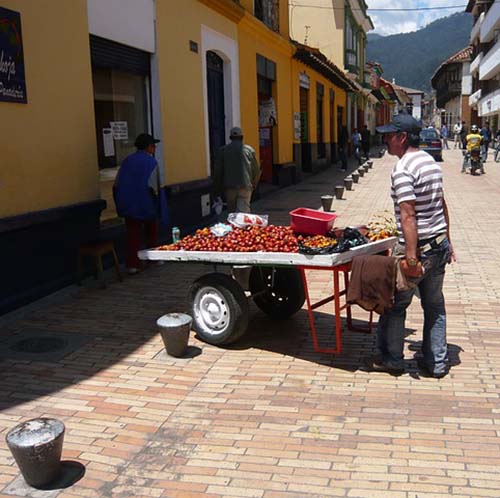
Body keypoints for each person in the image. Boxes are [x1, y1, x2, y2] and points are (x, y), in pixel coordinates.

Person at [372, 113, 455, 378]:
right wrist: (448, 241)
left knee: (396, 306)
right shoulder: (430, 162)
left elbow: (408, 214)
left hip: (418, 249)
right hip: (439, 244)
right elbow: (441, 204)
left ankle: (393, 359)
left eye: (389, 136)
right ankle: (437, 362)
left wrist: (410, 258)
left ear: (402, 137)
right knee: (434, 305)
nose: (385, 140)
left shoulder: (404, 168)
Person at [114, 133, 167, 274]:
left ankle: (133, 264)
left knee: (133, 235)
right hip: (146, 203)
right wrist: (159, 204)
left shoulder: (126, 161)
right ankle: (153, 259)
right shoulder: (151, 163)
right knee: (151, 232)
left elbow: (117, 184)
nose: (154, 148)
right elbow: (155, 187)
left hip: (129, 203)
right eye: (153, 145)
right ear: (148, 147)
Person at [214, 126, 261, 213]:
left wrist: (216, 190)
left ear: (230, 138)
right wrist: (254, 184)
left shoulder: (223, 151)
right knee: (243, 213)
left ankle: (233, 226)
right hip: (245, 186)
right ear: (242, 137)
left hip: (229, 187)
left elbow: (218, 172)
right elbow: (256, 170)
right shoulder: (249, 150)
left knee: (231, 213)